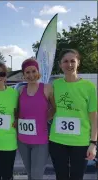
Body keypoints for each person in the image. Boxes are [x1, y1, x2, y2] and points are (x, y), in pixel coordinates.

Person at [49, 49, 97, 180]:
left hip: (80, 142)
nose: (69, 64)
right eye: (65, 61)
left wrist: (93, 143)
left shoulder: (89, 87)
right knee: (61, 176)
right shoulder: (55, 85)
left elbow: (94, 118)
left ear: (78, 63)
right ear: (60, 64)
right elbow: (50, 109)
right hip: (57, 140)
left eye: (72, 61)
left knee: (77, 177)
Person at [17, 58, 55, 180]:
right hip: (22, 140)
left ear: (38, 72)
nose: (31, 75)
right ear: (23, 75)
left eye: (33, 71)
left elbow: (55, 108)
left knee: (36, 175)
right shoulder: (21, 90)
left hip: (40, 140)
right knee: (29, 174)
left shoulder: (47, 88)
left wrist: (44, 120)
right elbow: (17, 111)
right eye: (27, 72)